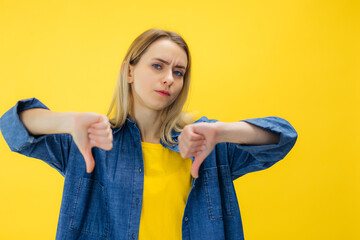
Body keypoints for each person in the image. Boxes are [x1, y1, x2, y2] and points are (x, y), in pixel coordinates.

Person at [0, 28, 298, 240]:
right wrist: (68, 121)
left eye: (178, 72)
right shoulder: (92, 141)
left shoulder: (204, 144)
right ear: (129, 71)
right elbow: (12, 127)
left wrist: (221, 131)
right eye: (158, 66)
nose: (169, 79)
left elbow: (283, 137)